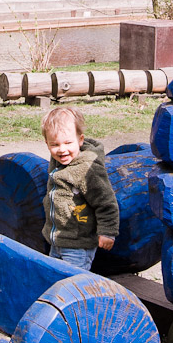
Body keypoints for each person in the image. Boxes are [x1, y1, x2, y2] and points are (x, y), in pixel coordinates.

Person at [41, 106, 119, 270]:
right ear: (47, 144)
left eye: (68, 143)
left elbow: (106, 202)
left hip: (78, 245)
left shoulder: (87, 169)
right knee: (55, 275)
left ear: (80, 140)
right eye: (55, 144)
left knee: (73, 280)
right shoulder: (58, 162)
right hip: (57, 241)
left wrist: (107, 232)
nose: (62, 149)